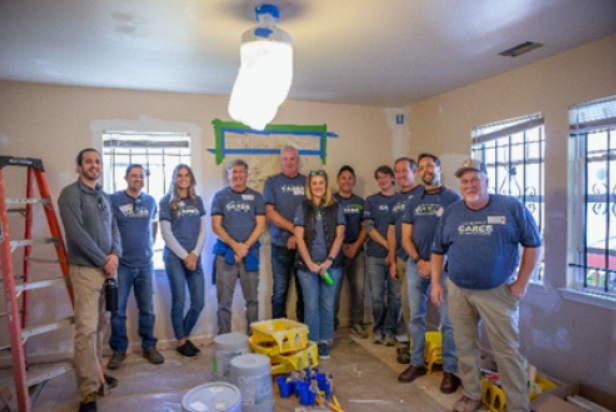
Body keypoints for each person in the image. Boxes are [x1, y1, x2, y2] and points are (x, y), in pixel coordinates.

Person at [431, 159, 542, 412]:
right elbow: (438, 250)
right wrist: (437, 282)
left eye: (475, 179)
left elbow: (533, 245)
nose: (470, 185)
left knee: (507, 351)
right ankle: (472, 394)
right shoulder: (452, 212)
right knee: (465, 345)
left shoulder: (511, 207)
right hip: (458, 290)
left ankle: (517, 406)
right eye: (465, 181)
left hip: (498, 293)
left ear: (486, 182)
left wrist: (521, 283)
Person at [58, 148, 121, 412]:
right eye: (89, 162)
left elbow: (114, 228)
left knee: (101, 325)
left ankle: (97, 375)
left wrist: (116, 254)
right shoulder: (70, 195)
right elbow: (76, 235)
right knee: (85, 329)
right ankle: (87, 392)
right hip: (86, 270)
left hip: (107, 270)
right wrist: (104, 260)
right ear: (78, 166)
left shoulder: (102, 195)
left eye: (97, 162)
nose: (94, 165)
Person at [397, 154, 461, 394]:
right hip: (417, 265)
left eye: (430, 166)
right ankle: (416, 363)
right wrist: (419, 261)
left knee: (448, 321)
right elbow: (405, 238)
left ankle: (450, 370)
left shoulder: (453, 198)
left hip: (445, 269)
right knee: (415, 316)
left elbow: (457, 236)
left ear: (439, 168)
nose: (426, 170)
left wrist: (437, 264)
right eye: (421, 167)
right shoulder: (413, 200)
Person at [108, 164, 164, 370]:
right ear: (126, 178)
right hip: (122, 264)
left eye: (141, 176)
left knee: (147, 310)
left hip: (145, 263)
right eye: (134, 176)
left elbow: (154, 225)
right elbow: (107, 227)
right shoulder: (113, 200)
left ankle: (149, 346)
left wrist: (149, 247)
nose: (138, 179)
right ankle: (118, 351)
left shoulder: (150, 201)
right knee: (117, 310)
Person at [294, 170, 345, 359]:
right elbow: (298, 237)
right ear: (309, 186)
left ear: (326, 184)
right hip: (307, 267)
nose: (318, 187)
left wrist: (328, 261)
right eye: (314, 183)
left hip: (332, 266)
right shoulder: (302, 207)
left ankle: (324, 341)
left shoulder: (336, 207)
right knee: (311, 306)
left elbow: (340, 235)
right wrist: (309, 263)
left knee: (327, 304)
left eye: (321, 183)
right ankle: (312, 342)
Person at [211, 159, 266, 334]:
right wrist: (235, 247)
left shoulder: (256, 197)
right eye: (234, 171)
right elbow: (216, 226)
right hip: (225, 254)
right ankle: (224, 339)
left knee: (252, 300)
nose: (238, 175)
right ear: (229, 175)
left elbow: (261, 225)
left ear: (247, 174)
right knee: (224, 302)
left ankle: (253, 339)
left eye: (241, 171)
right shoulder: (220, 197)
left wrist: (244, 248)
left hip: (250, 254)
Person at [159, 164, 206, 357]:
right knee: (179, 301)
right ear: (175, 179)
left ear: (191, 179)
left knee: (198, 302)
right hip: (174, 258)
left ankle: (184, 336)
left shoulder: (197, 201)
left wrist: (194, 253)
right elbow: (166, 234)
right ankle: (180, 341)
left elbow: (203, 230)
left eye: (186, 175)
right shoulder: (166, 202)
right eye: (179, 175)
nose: (183, 178)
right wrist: (185, 256)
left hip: (194, 257)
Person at [264, 146, 306, 321]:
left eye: (292, 159)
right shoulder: (271, 182)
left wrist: (298, 236)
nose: (289, 162)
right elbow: (269, 213)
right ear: (281, 161)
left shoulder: (307, 181)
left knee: (304, 291)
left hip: (304, 247)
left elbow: (312, 212)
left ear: (297, 160)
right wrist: (294, 230)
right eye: (285, 159)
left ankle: (303, 332)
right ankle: (277, 332)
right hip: (280, 246)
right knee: (280, 291)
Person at [388, 157, 423, 343]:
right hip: (401, 258)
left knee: (413, 305)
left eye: (405, 170)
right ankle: (413, 345)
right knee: (406, 304)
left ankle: (417, 347)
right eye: (398, 171)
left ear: (414, 172)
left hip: (418, 259)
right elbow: (392, 231)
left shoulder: (424, 194)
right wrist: (392, 260)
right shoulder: (396, 199)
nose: (401, 175)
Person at [364, 165, 398, 346]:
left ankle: (389, 330)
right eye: (379, 177)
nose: (382, 180)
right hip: (375, 256)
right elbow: (369, 228)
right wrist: (388, 247)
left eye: (385, 176)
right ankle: (378, 328)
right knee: (377, 296)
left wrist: (393, 253)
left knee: (395, 296)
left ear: (393, 178)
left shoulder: (402, 201)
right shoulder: (371, 201)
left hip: (397, 258)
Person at [332, 165, 368, 338]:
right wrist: (341, 247)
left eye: (350, 178)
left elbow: (365, 228)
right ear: (338, 180)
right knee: (333, 290)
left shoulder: (361, 202)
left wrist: (354, 246)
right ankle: (331, 324)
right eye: (343, 178)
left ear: (353, 181)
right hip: (335, 252)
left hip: (357, 252)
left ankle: (356, 323)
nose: (346, 181)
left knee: (359, 289)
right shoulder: (330, 200)